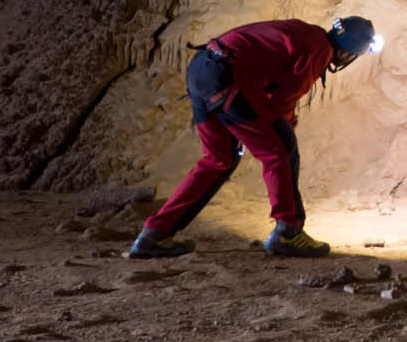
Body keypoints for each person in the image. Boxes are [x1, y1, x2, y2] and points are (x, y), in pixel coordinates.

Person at [125, 14, 378, 259]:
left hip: (202, 69)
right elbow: (284, 99)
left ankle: (155, 234)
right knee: (279, 148)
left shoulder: (309, 33)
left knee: (218, 160)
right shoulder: (320, 49)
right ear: (348, 53)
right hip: (227, 78)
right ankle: (288, 231)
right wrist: (287, 123)